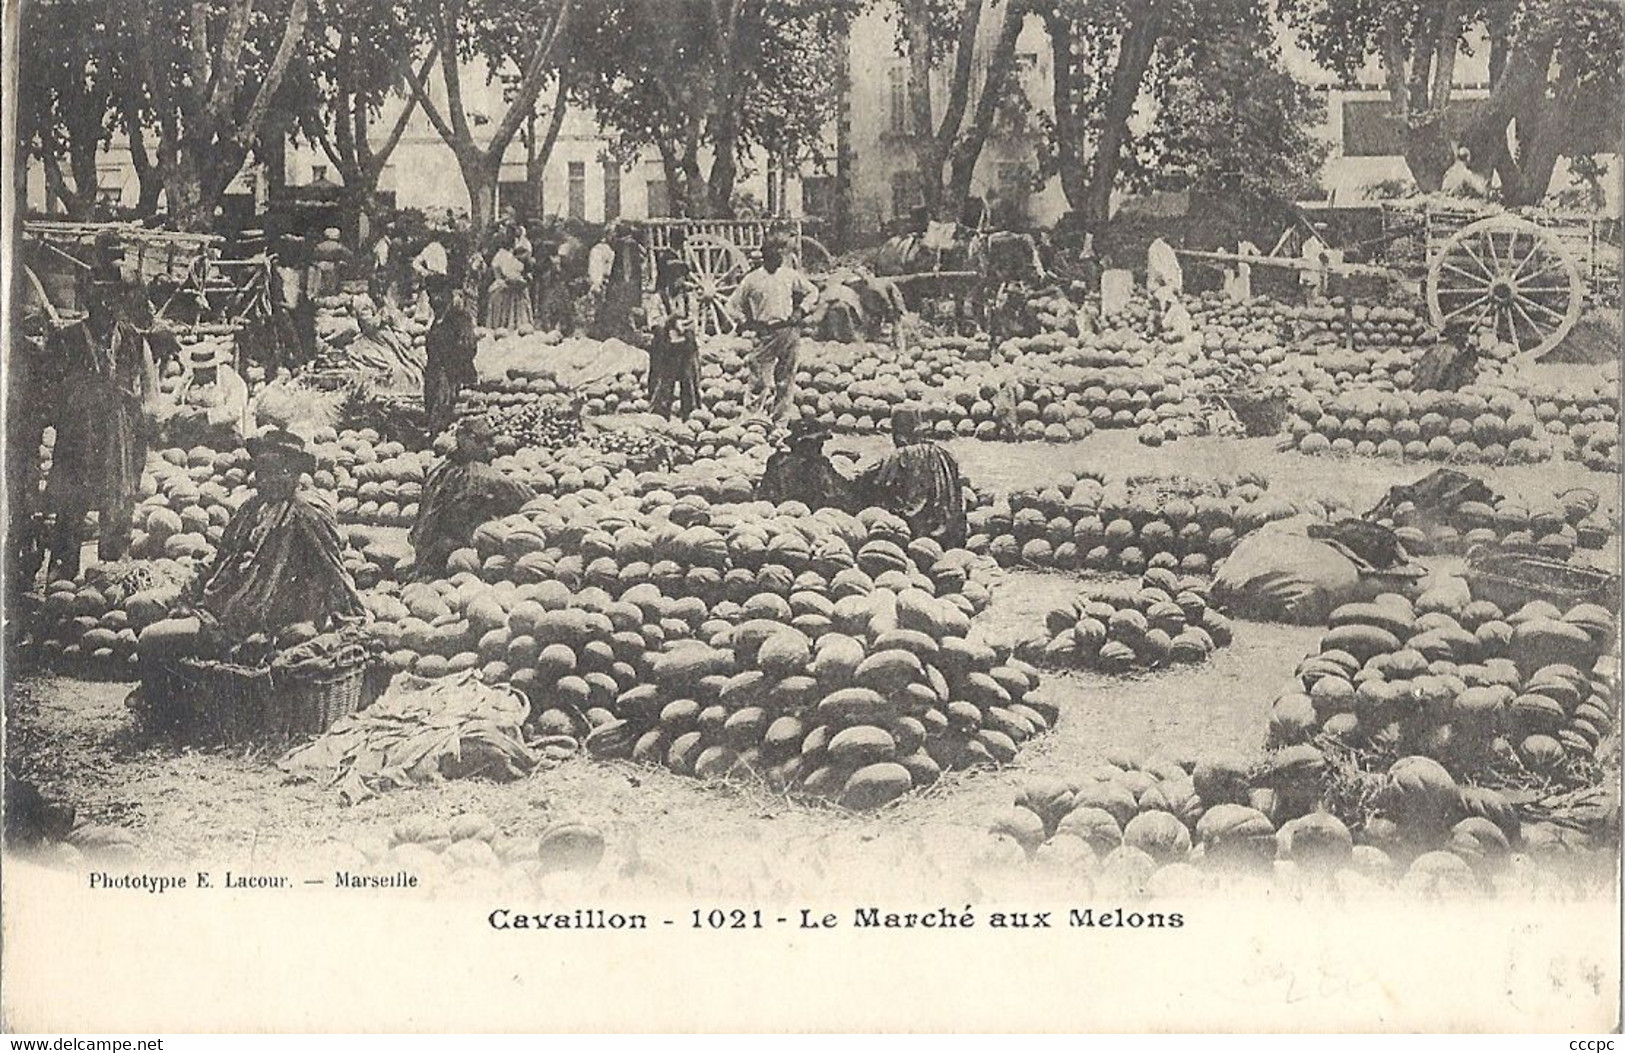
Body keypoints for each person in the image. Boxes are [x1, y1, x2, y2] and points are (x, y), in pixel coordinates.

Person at [141, 428, 364, 663]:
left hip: (254, 623)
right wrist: (186, 597)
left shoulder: (307, 513)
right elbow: (221, 560)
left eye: (273, 472)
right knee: (143, 606)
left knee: (151, 638)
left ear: (293, 474)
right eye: (260, 472)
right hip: (221, 604)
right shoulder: (251, 509)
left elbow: (334, 573)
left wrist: (349, 627)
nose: (262, 480)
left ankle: (158, 697)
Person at [43, 277, 161, 580]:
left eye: (112, 300)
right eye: (98, 300)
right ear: (87, 304)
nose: (106, 307)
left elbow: (151, 395)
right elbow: (49, 391)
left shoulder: (134, 341)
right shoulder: (65, 340)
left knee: (118, 502)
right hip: (78, 432)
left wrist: (142, 427)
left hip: (120, 434)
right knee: (71, 504)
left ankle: (110, 576)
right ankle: (62, 574)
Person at [409, 417, 537, 579]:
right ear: (472, 442)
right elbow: (527, 498)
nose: (489, 447)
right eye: (485, 442)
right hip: (452, 555)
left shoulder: (438, 468)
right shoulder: (482, 474)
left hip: (425, 552)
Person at [727, 240, 818, 424]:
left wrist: (801, 310)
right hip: (766, 332)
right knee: (759, 376)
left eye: (779, 255)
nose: (777, 259)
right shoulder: (752, 279)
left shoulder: (789, 275)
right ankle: (752, 418)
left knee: (786, 377)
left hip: (788, 330)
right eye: (772, 255)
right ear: (764, 257)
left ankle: (780, 418)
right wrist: (746, 321)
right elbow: (731, 305)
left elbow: (812, 291)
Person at [860, 405, 967, 548]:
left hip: (914, 536)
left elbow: (869, 484)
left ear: (898, 431)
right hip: (951, 537)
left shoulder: (899, 456)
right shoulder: (945, 455)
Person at [756, 418, 854, 510]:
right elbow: (840, 494)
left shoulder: (775, 460)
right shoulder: (818, 465)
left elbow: (764, 496)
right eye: (817, 442)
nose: (820, 446)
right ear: (807, 444)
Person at [423, 279, 479, 434]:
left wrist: (453, 365)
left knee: (449, 413)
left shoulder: (459, 318)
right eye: (431, 296)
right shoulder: (437, 319)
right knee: (434, 410)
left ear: (447, 296)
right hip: (435, 371)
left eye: (438, 296)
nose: (434, 300)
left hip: (453, 373)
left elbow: (469, 347)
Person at [170, 343, 253, 445]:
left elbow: (235, 411)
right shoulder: (189, 377)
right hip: (193, 432)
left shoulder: (231, 379)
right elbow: (173, 400)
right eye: (197, 369)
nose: (199, 373)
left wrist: (205, 414)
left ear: (213, 368)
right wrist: (182, 410)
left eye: (204, 369)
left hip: (223, 434)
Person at [646, 303, 701, 419]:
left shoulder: (687, 298)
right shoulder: (657, 299)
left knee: (689, 379)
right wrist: (671, 321)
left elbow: (693, 320)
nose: (679, 284)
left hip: (685, 346)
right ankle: (659, 416)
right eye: (674, 283)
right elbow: (654, 323)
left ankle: (690, 415)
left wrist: (684, 326)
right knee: (663, 382)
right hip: (665, 348)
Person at [486, 233, 534, 332]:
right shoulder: (506, 256)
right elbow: (508, 273)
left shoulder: (500, 254)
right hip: (507, 286)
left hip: (502, 284)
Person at [310, 227, 352, 298]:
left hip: (321, 265)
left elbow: (314, 254)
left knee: (321, 283)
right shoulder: (338, 246)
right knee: (333, 283)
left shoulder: (319, 246)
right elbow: (349, 254)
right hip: (333, 265)